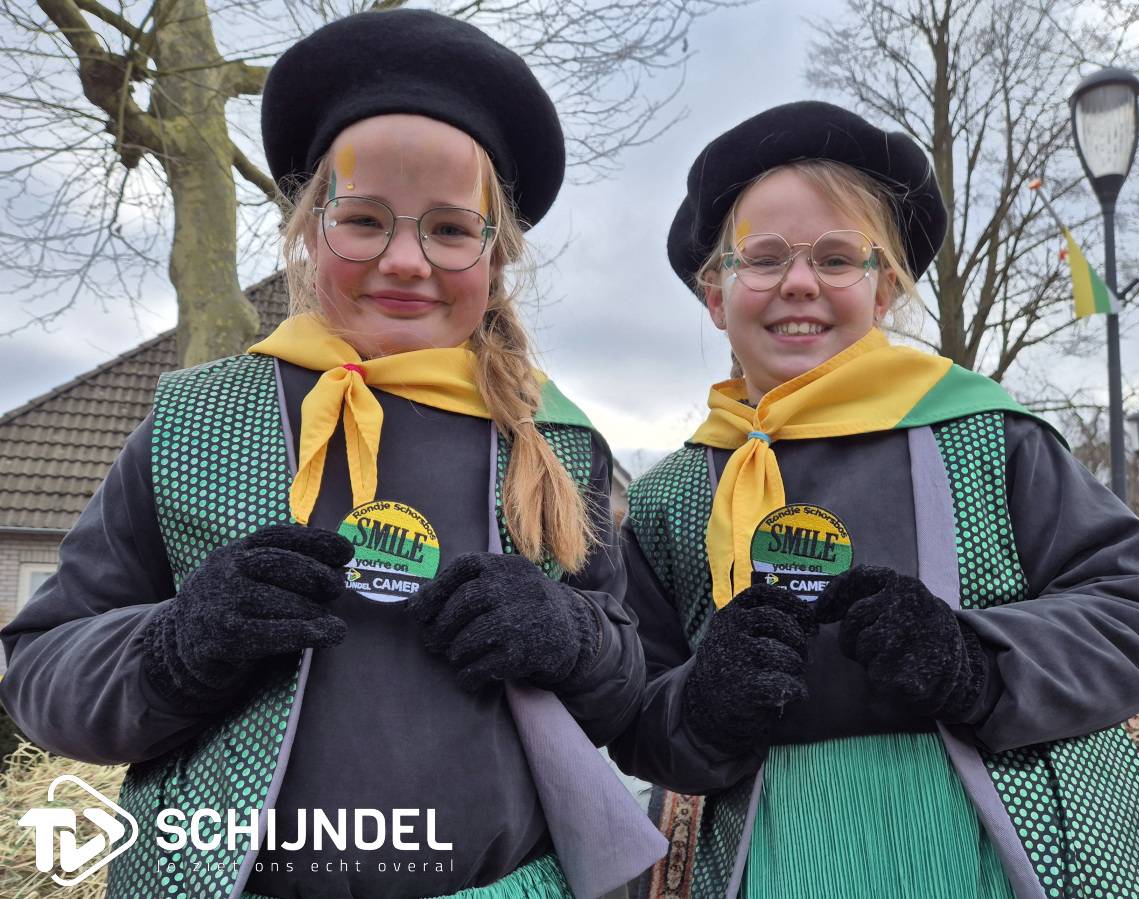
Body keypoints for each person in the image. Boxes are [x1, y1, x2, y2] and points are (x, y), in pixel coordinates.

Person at [0, 10, 664, 899]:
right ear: (311, 229)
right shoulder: (196, 419)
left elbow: (622, 689)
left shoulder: (554, 441)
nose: (406, 260)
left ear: (496, 255)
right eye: (364, 219)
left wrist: (572, 639)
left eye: (450, 229)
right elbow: (40, 668)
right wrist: (175, 646)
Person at [609, 101, 1139, 899]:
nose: (800, 282)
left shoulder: (988, 435)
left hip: (1001, 851)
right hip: (778, 858)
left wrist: (978, 662)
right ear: (716, 293)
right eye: (764, 257)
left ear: (884, 287)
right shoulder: (672, 498)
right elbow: (632, 711)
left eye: (837, 257)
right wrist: (703, 707)